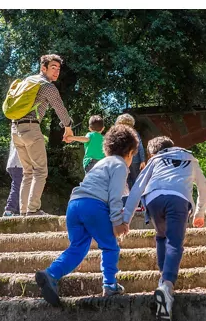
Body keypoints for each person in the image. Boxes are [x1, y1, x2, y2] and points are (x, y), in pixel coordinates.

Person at [35, 125, 139, 306]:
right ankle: (110, 284)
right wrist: (117, 222)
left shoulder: (101, 163)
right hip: (93, 206)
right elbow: (115, 196)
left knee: (78, 248)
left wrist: (117, 216)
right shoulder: (120, 165)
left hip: (74, 204)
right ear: (130, 152)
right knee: (110, 246)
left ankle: (50, 274)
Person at [123, 136, 206, 321]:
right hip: (179, 198)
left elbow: (137, 187)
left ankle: (163, 280)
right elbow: (204, 187)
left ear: (153, 152)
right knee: (175, 242)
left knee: (162, 236)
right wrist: (200, 213)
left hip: (154, 199)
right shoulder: (190, 158)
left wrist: (126, 219)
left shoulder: (154, 160)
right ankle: (167, 285)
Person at [11, 54, 74, 216]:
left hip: (15, 129)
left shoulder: (28, 81)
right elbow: (60, 108)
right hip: (31, 128)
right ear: (43, 68)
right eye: (53, 68)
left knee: (28, 172)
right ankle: (32, 210)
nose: (56, 72)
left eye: (58, 69)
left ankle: (24, 212)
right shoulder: (47, 86)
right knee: (40, 171)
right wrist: (68, 127)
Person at [115, 114, 146, 194]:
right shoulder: (134, 132)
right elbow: (140, 146)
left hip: (124, 160)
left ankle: (128, 199)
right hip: (134, 159)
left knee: (126, 181)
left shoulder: (117, 133)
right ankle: (136, 200)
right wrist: (142, 160)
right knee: (136, 180)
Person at [3, 137, 23, 217]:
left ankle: (17, 212)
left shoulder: (16, 127)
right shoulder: (22, 128)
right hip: (18, 163)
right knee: (17, 186)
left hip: (13, 163)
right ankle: (9, 210)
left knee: (21, 187)